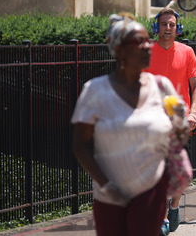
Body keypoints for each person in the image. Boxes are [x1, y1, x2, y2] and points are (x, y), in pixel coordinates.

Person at [72, 14, 186, 236]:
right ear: (118, 49)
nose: (147, 46)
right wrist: (106, 184)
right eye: (138, 41)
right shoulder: (95, 91)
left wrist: (180, 124)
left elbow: (179, 141)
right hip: (110, 197)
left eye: (147, 41)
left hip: (151, 192)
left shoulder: (162, 87)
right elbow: (80, 144)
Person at [145, 8, 196, 233]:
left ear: (177, 28)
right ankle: (161, 217)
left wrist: (193, 113)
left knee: (179, 172)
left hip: (181, 122)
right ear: (156, 27)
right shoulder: (147, 51)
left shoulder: (187, 52)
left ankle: (175, 205)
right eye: (163, 24)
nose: (167, 28)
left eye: (171, 24)